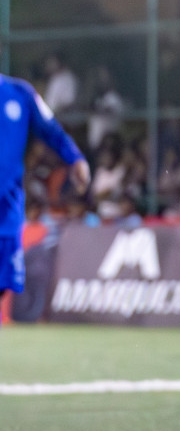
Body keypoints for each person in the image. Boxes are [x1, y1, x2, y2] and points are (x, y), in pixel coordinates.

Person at [2, 73, 88, 303]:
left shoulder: (20, 93)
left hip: (6, 212)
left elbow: (51, 129)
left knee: (2, 285)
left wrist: (75, 158)